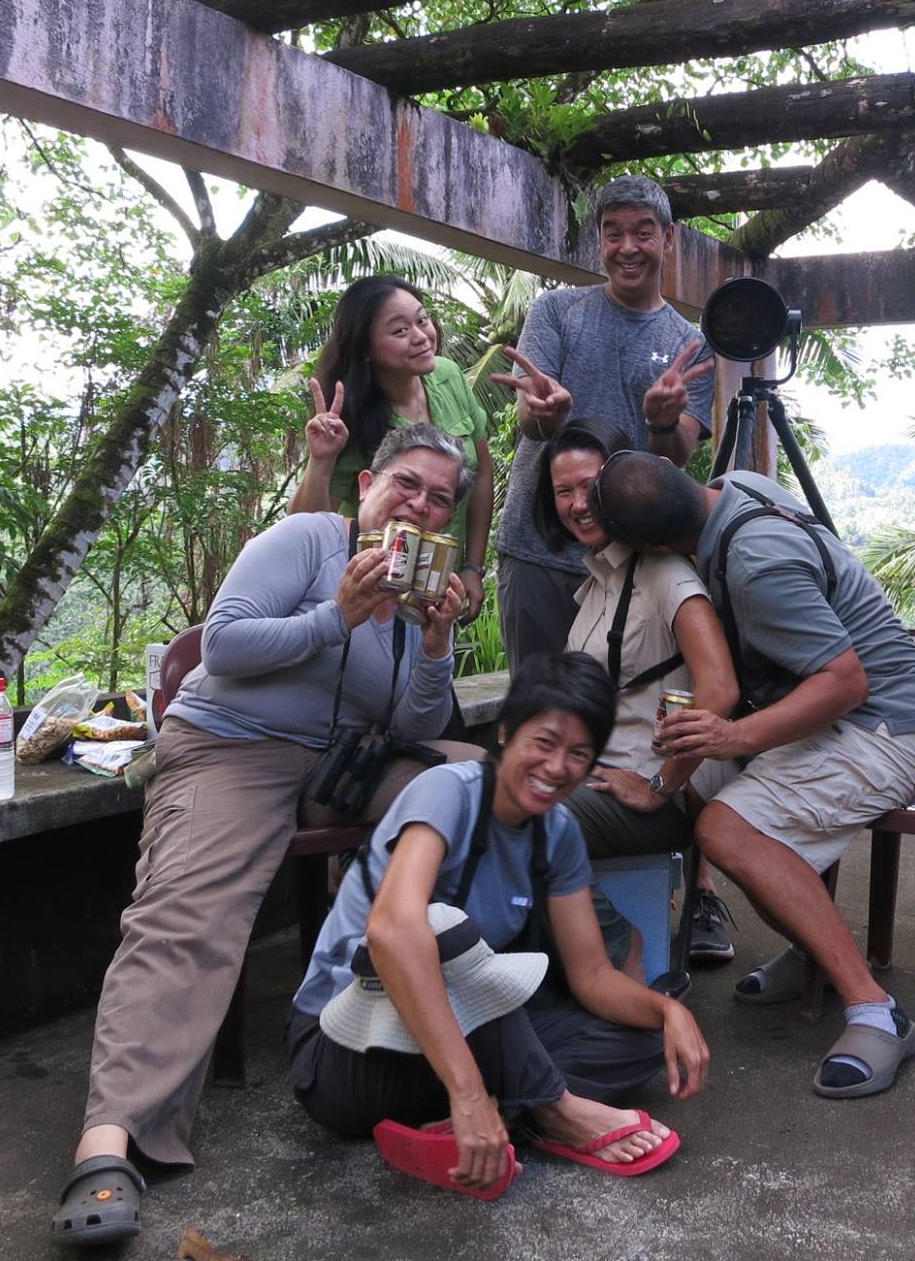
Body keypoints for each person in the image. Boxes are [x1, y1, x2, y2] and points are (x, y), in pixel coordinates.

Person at [51, 424, 478, 1247]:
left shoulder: (417, 594)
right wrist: (336, 614)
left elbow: (414, 722)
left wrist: (433, 642)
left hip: (341, 766)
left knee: (472, 784)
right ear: (368, 489)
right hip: (232, 745)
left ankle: (458, 1029)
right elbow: (226, 644)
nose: (421, 504)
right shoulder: (308, 540)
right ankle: (111, 1139)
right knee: (186, 911)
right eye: (408, 485)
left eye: (439, 498)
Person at [591, 454, 915, 1100]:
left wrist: (734, 737)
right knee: (722, 798)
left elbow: (847, 681)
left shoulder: (755, 563)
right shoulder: (736, 486)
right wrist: (664, 781)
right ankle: (813, 952)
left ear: (653, 549)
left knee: (727, 831)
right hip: (864, 715)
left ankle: (877, 1011)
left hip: (894, 724)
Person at [285, 653, 708, 1194]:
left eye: (578, 754)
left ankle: (498, 1115)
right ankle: (549, 1110)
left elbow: (593, 977)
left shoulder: (556, 833)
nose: (557, 767)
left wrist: (665, 1010)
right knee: (447, 932)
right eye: (545, 742)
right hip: (349, 1054)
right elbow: (393, 931)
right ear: (506, 730)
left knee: (642, 1042)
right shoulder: (449, 792)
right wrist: (466, 1090)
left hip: (441, 1047)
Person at [533, 417, 741, 964]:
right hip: (599, 777)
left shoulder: (665, 572)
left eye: (590, 486)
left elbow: (719, 690)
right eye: (564, 491)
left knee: (536, 814)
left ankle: (616, 957)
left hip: (652, 794)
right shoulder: (595, 586)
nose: (579, 504)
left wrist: (658, 785)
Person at [490, 175, 716, 664]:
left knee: (620, 709)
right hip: (538, 548)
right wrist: (545, 414)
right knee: (539, 709)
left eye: (643, 232)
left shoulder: (690, 345)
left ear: (669, 239)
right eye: (613, 233)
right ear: (600, 241)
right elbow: (531, 417)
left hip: (633, 559)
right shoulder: (556, 310)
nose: (627, 247)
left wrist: (661, 423)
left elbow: (676, 454)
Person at [290, 276, 493, 620]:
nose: (421, 336)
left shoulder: (449, 376)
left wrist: (473, 566)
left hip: (437, 588)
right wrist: (321, 459)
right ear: (366, 349)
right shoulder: (351, 417)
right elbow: (301, 529)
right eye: (400, 331)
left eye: (422, 319)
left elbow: (482, 474)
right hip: (372, 595)